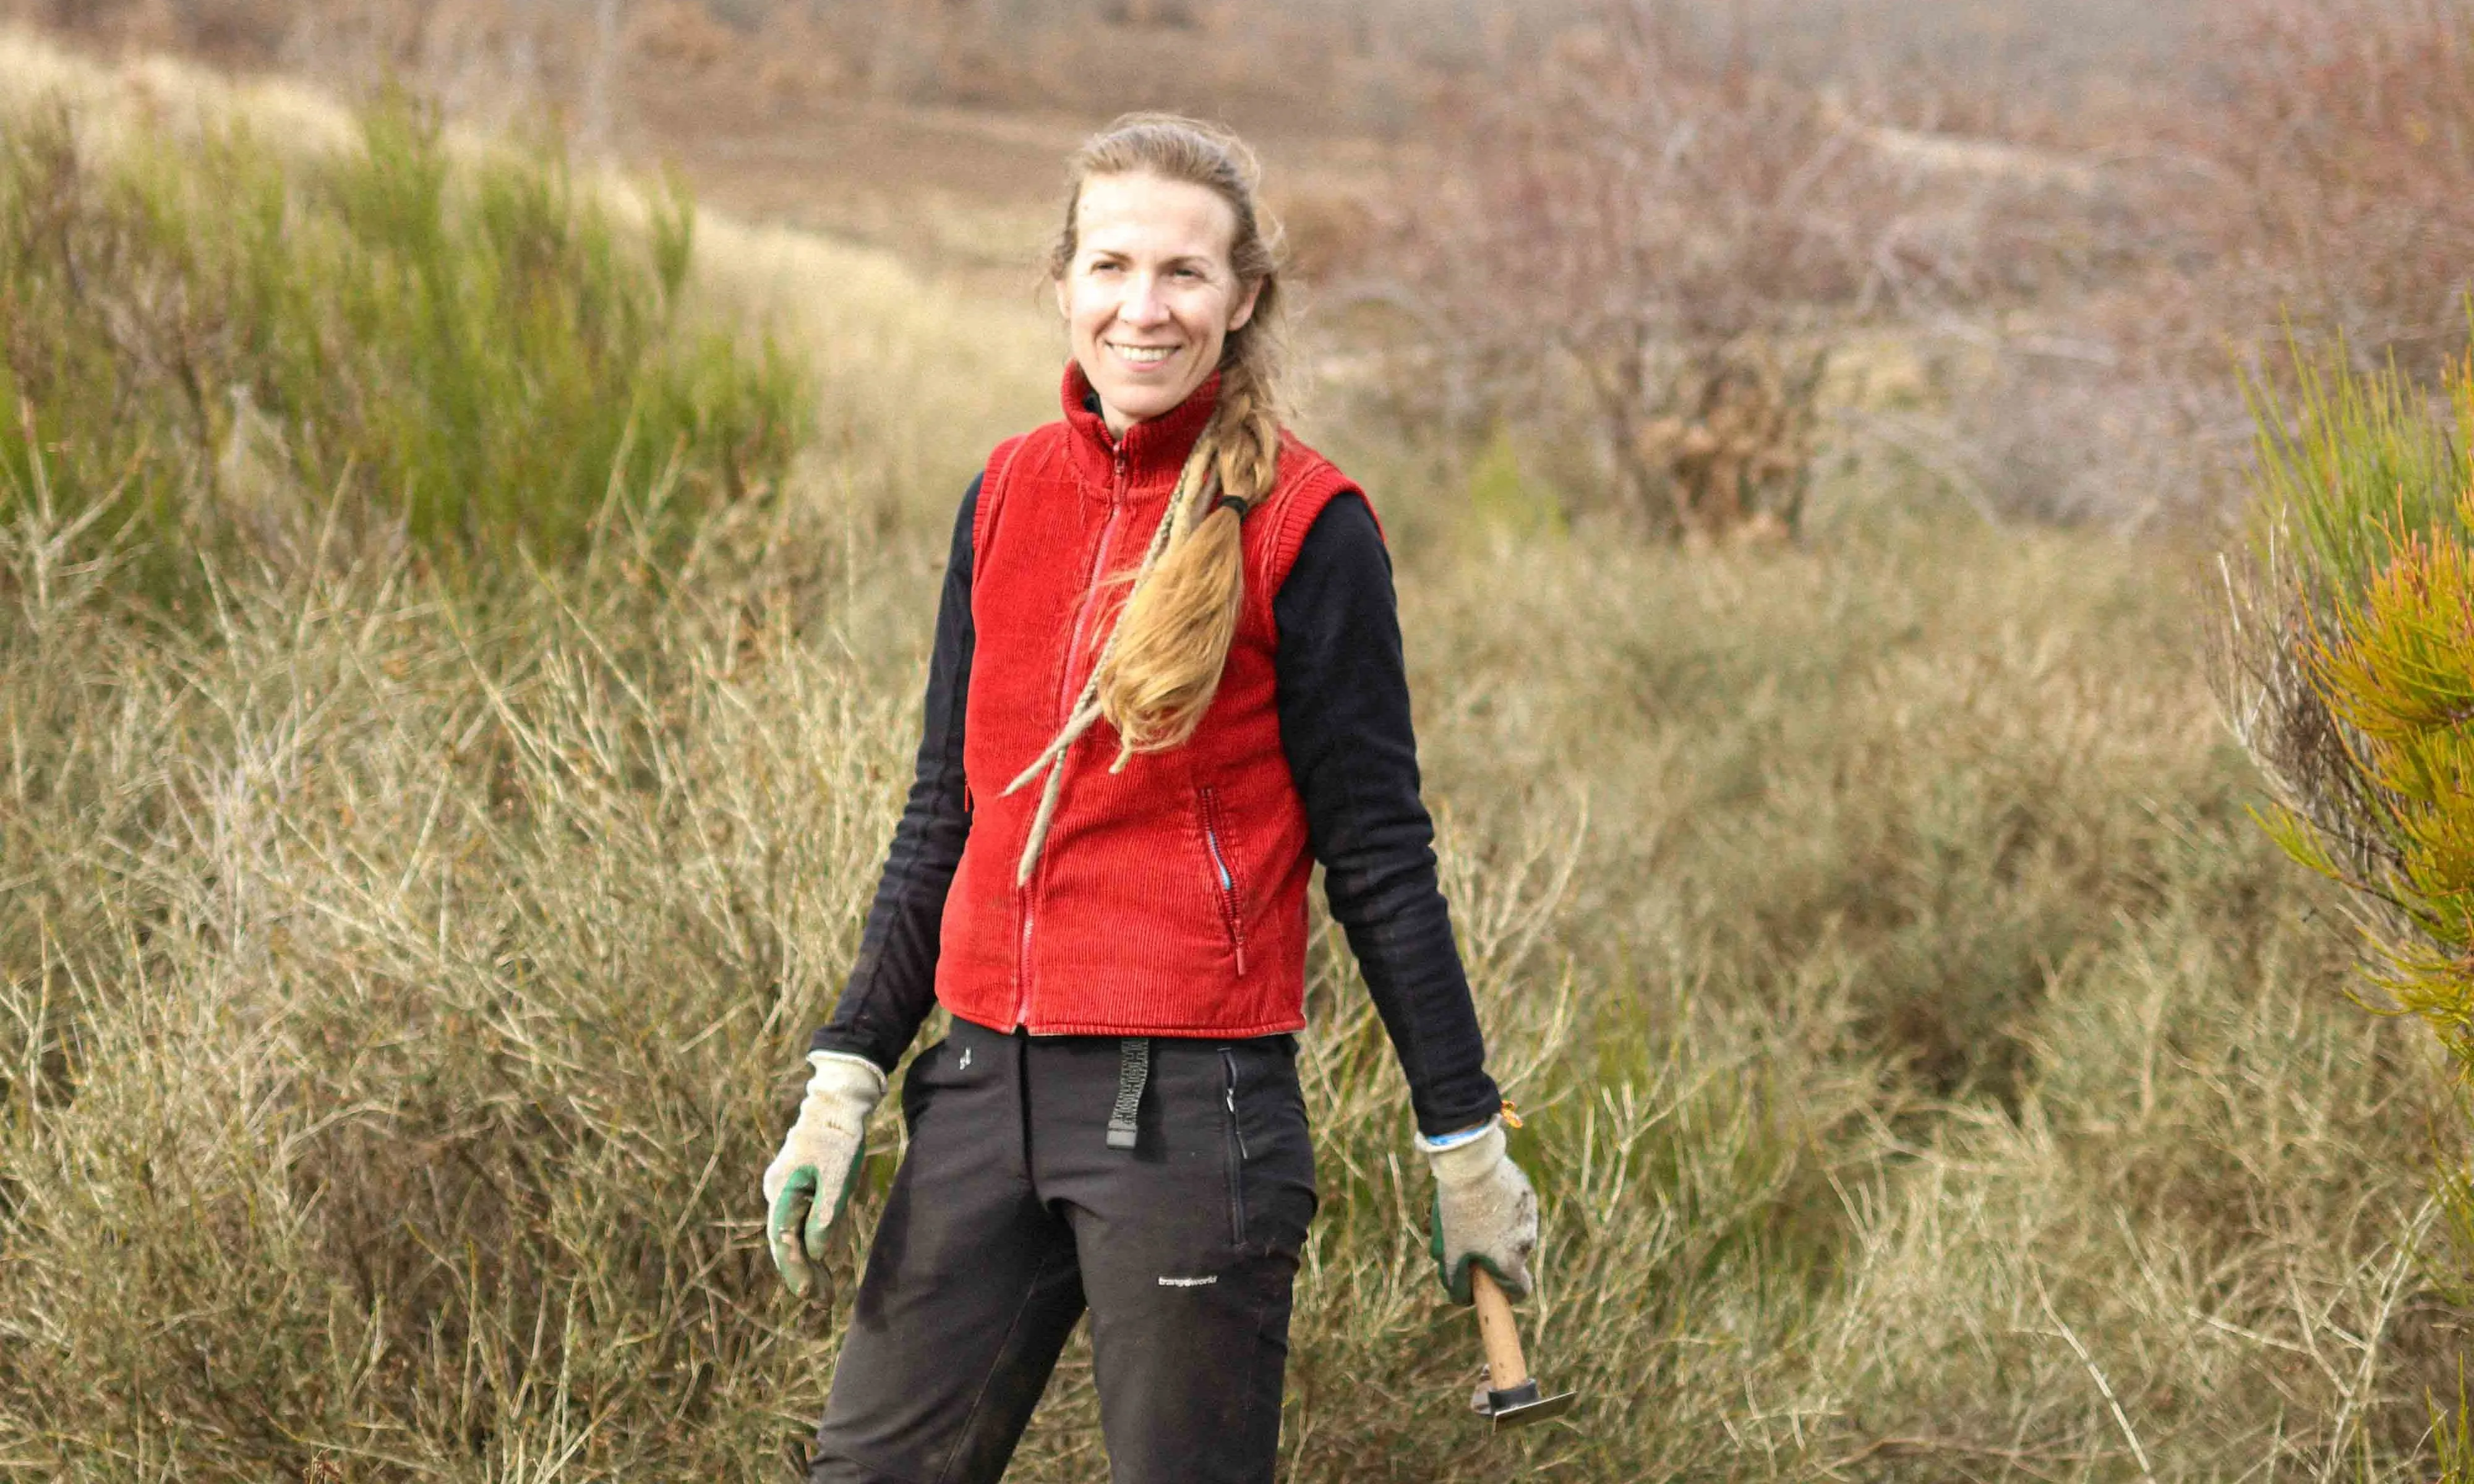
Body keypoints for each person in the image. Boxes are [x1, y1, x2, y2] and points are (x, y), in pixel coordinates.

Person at [763, 113, 1541, 1484]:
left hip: (1191, 1120)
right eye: (1111, 266)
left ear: (1243, 300)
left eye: (1184, 274)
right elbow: (946, 810)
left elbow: (1376, 855)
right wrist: (846, 1070)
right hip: (975, 1087)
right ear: (1060, 280)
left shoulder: (1310, 525)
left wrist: (1460, 1139)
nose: (1143, 307)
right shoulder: (1004, 493)